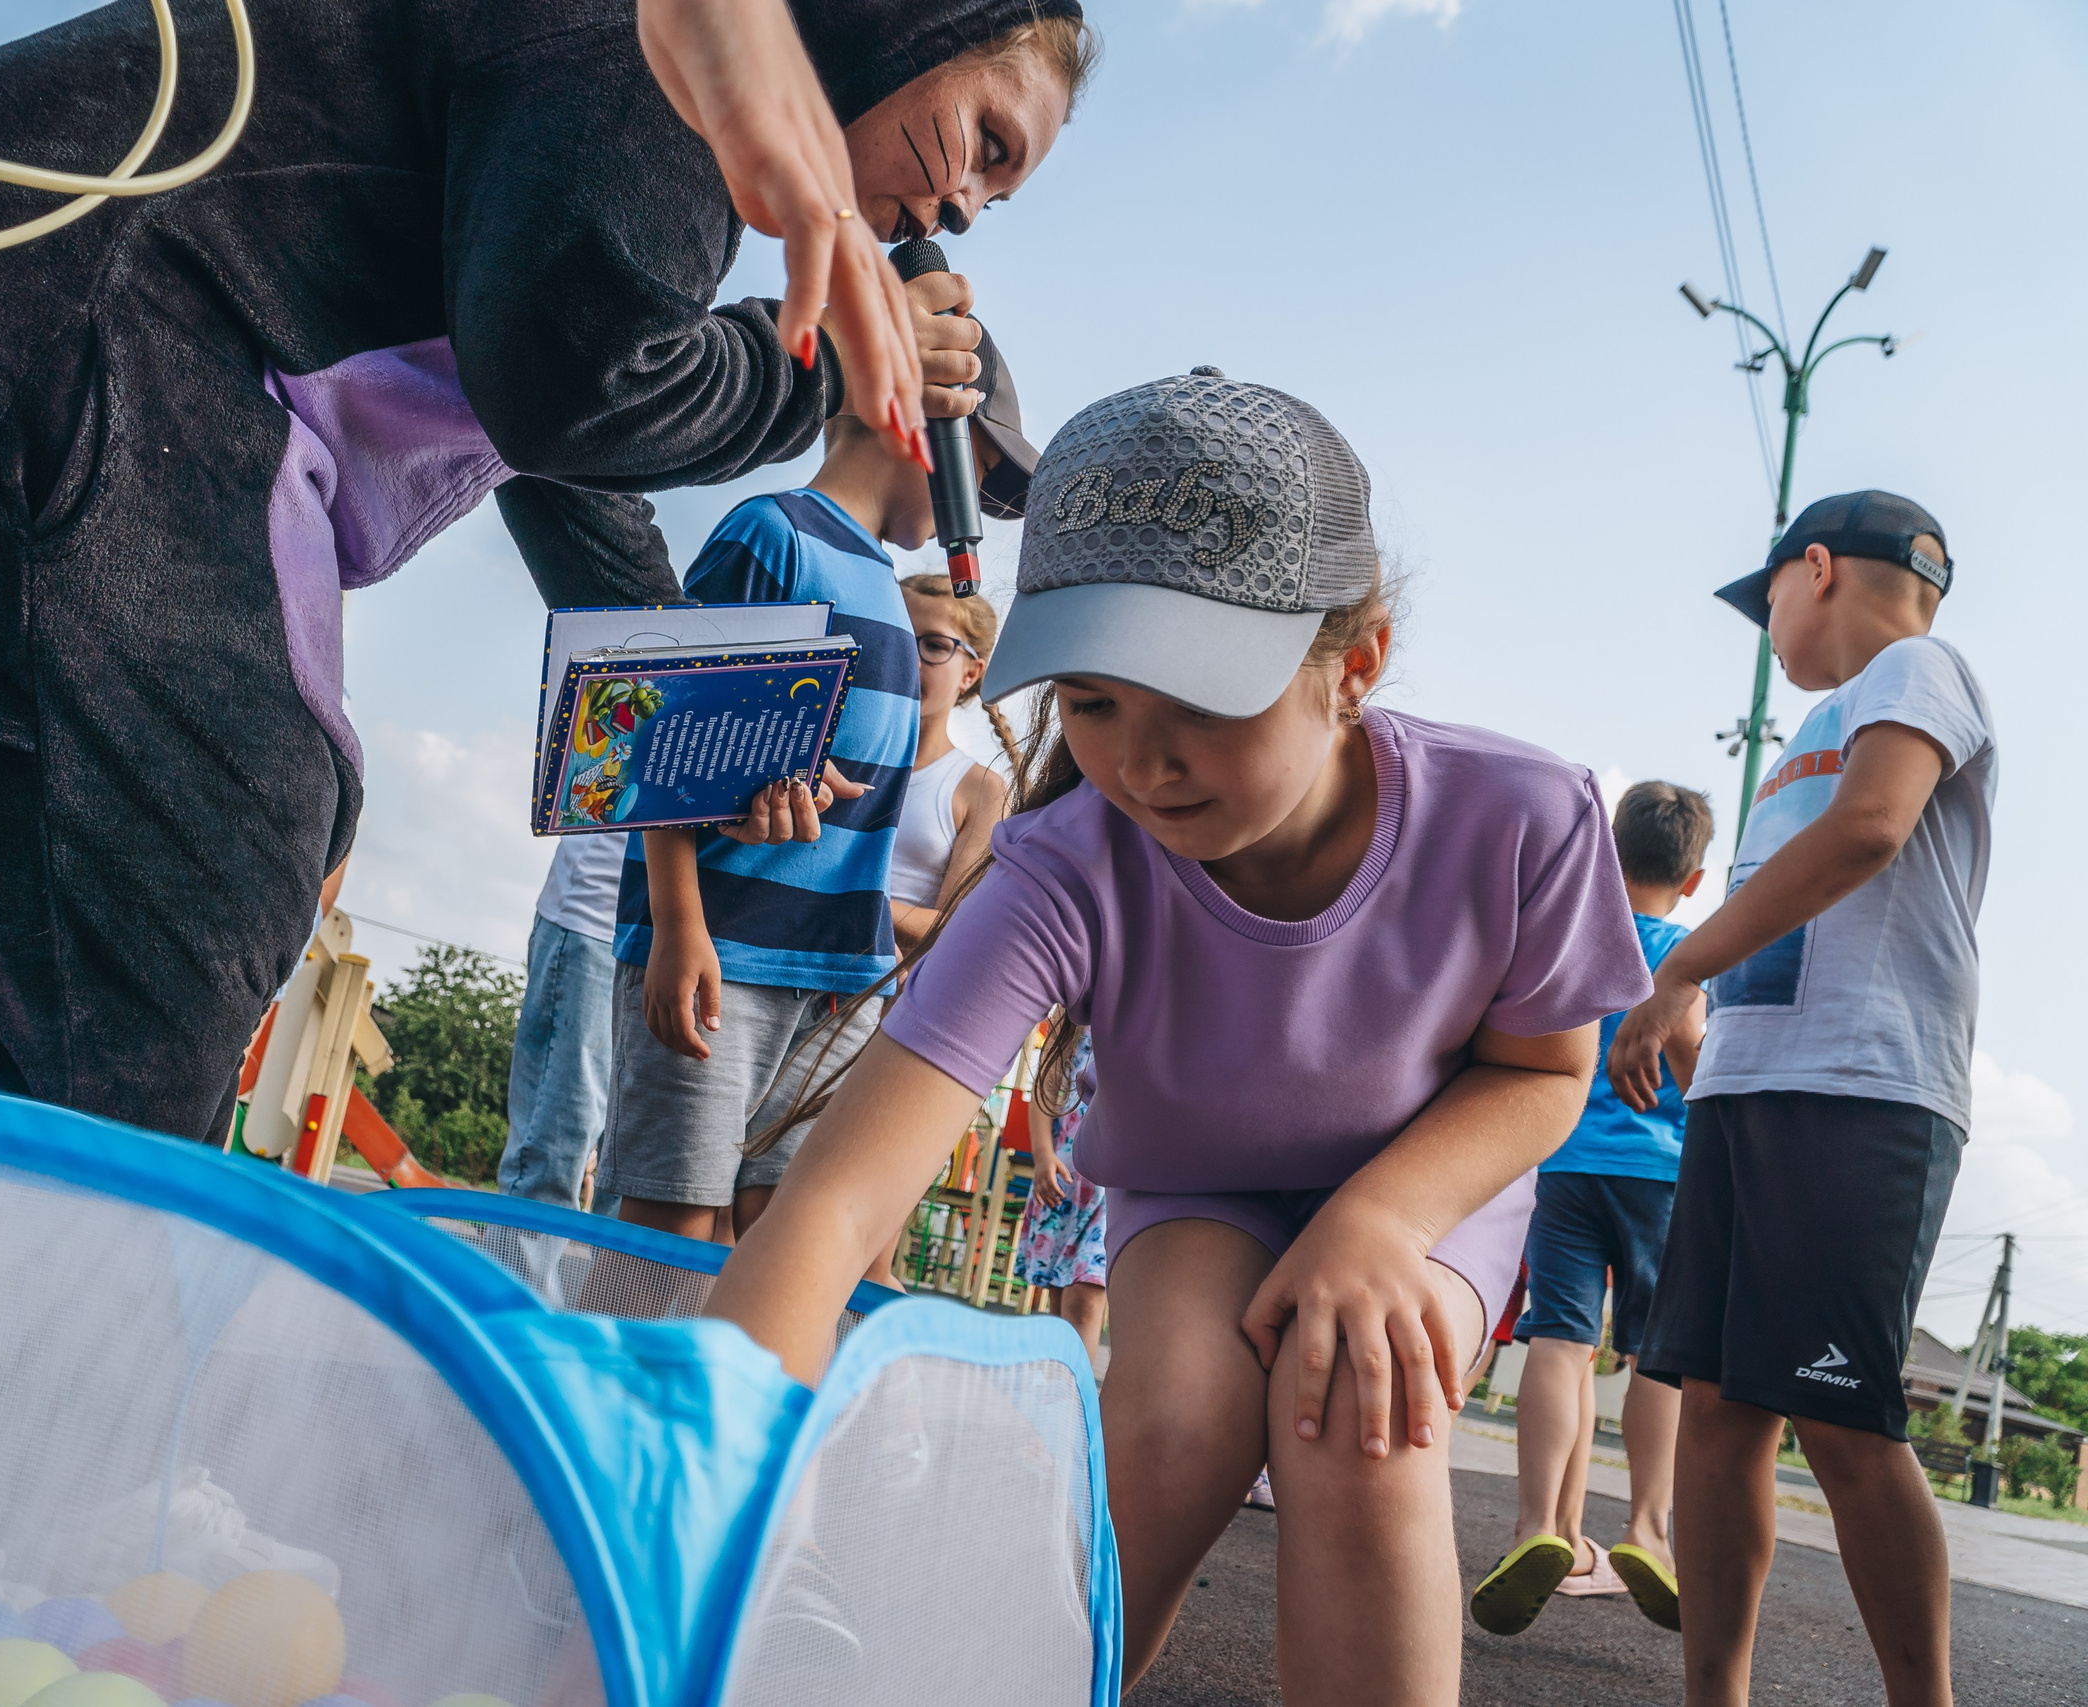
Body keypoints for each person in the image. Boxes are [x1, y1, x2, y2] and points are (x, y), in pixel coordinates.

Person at [0, 0, 1094, 1142]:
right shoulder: (667, 55)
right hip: (57, 342)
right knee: (208, 876)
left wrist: (705, 752)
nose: (966, 205)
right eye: (988, 139)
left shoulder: (660, 105)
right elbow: (572, 390)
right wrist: (809, 366)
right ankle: (23, 1402)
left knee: (55, 1010)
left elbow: (561, 459)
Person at [706, 370, 1652, 1705]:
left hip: (1428, 1182)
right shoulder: (1063, 859)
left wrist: (1379, 1219)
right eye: (1091, 705)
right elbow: (844, 1194)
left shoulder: (1522, 815)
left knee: (1360, 1414)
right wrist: (696, 1468)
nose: (1145, 764)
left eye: (1201, 700)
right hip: (1197, 1183)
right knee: (1170, 1421)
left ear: (1356, 661)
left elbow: (1547, 1073)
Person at [1613, 492, 1994, 1707]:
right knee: (1720, 1418)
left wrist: (1677, 969)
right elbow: (1788, 906)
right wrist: (1699, 1017)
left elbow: (1873, 829)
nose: (1766, 624)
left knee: (1842, 1420)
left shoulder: (1918, 670)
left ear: (1815, 569)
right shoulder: (1806, 734)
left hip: (1861, 1094)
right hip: (1750, 1094)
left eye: (1768, 594)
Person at [599, 336, 1036, 1249]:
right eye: (981, 475)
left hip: (835, 981)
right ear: (929, 428)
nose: (979, 518)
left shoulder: (883, 581)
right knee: (673, 1219)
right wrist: (680, 930)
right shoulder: (775, 535)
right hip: (728, 950)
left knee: (780, 1232)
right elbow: (665, 737)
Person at [1473, 780, 1713, 1637]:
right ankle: (1646, 1527)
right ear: (1691, 879)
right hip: (1662, 1177)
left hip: (1565, 1164)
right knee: (1656, 1352)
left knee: (1561, 1340)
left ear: (1607, 854)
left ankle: (1541, 1526)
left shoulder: (1578, 941)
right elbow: (1693, 1064)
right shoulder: (1687, 958)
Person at [886, 572, 1024, 951]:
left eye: (933, 645)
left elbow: (956, 925)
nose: (908, 659)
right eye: (896, 636)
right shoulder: (830, 758)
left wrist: (852, 904)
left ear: (971, 673)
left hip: (878, 1002)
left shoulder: (979, 788)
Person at [499, 832, 631, 1215]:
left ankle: (618, 1280)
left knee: (640, 1176)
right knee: (553, 1147)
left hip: (706, 942)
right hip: (600, 918)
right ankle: (516, 1274)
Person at [1018, 1030, 1107, 1361]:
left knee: (1085, 1296)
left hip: (1113, 1190)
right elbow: (1045, 1087)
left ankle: (1071, 1398)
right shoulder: (1075, 1021)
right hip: (1067, 1184)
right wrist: (1042, 1155)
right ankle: (1059, 1392)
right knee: (1059, 1299)